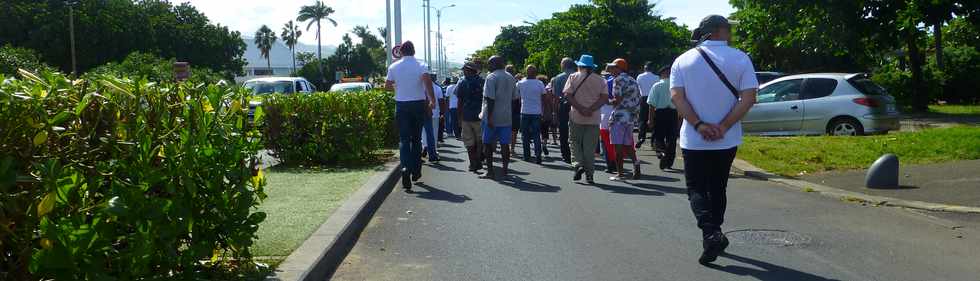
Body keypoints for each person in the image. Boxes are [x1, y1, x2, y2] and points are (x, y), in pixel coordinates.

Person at [671, 15, 758, 265]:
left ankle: (710, 233)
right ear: (720, 31)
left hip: (694, 138)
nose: (730, 33)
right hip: (727, 138)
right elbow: (748, 98)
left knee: (696, 188)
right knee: (718, 186)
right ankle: (715, 231)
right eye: (728, 29)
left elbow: (677, 97)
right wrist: (724, 126)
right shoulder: (741, 58)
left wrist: (699, 124)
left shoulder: (683, 60)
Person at [385, 41, 437, 190]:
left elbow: (387, 86)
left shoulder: (394, 66)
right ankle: (416, 169)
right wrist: (432, 100)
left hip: (401, 105)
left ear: (401, 52)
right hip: (418, 104)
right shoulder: (421, 65)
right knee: (416, 139)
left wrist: (398, 88)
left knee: (404, 139)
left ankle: (405, 168)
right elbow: (427, 82)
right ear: (414, 51)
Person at [564, 54, 608, 184]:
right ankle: (590, 175)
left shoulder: (573, 77)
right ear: (592, 67)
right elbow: (604, 98)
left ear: (580, 66)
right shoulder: (601, 80)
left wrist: (580, 108)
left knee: (574, 142)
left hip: (576, 116)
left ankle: (578, 164)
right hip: (593, 118)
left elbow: (568, 95)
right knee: (590, 147)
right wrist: (591, 109)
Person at [481, 56, 519, 179]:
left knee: (487, 143)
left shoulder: (491, 77)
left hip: (492, 117)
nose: (488, 66)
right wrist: (509, 113)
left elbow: (490, 98)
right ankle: (505, 170)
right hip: (506, 117)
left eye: (489, 64)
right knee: (504, 145)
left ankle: (490, 172)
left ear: (494, 64)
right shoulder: (511, 77)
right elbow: (515, 99)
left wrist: (490, 117)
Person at [607, 58, 643, 181]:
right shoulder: (632, 80)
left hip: (619, 117)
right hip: (631, 117)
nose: (610, 70)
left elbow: (617, 100)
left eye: (613, 67)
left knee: (617, 145)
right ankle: (636, 164)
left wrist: (606, 101)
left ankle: (620, 173)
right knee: (628, 144)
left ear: (619, 68)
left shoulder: (618, 80)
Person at [457, 62, 486, 173]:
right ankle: (478, 159)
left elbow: (459, 101)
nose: (463, 72)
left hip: (466, 116)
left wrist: (459, 117)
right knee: (479, 140)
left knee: (469, 141)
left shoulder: (463, 82)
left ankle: (472, 163)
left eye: (465, 70)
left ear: (469, 70)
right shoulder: (482, 82)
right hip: (480, 116)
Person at [648, 65, 678, 170]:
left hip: (660, 113)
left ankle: (662, 152)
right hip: (674, 113)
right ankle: (669, 162)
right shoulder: (677, 86)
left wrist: (650, 119)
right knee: (672, 139)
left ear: (662, 74)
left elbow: (651, 104)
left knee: (658, 137)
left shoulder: (657, 85)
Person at [550, 58, 577, 164]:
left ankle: (565, 154)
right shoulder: (578, 76)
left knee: (563, 130)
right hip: (577, 105)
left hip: (563, 106)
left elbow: (556, 97)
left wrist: (554, 112)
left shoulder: (558, 78)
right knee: (576, 130)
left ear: (563, 65)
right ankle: (577, 153)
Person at [517, 65, 546, 164]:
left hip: (524, 111)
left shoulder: (521, 83)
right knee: (536, 134)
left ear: (526, 72)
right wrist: (543, 111)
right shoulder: (540, 83)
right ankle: (538, 155)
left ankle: (527, 155)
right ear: (536, 73)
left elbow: (516, 95)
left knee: (525, 135)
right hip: (536, 112)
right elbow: (544, 97)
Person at [635, 61, 660, 149]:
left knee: (642, 119)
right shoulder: (657, 77)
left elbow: (638, 89)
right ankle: (654, 141)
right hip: (653, 98)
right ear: (652, 68)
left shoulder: (639, 77)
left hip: (643, 98)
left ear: (645, 68)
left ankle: (641, 137)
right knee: (654, 119)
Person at [421, 73, 443, 163]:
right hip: (435, 113)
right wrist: (442, 112)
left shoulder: (422, 86)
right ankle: (433, 151)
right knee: (433, 132)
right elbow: (441, 100)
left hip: (424, 112)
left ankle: (425, 146)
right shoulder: (438, 88)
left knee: (423, 132)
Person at [599, 64, 617, 174]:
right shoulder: (622, 81)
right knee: (616, 139)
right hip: (617, 110)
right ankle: (616, 162)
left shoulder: (605, 83)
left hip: (605, 110)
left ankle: (610, 164)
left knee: (605, 139)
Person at [539, 74, 556, 155]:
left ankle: (539, 144)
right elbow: (551, 103)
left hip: (538, 112)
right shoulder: (548, 91)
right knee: (545, 130)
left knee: (538, 130)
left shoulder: (537, 90)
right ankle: (544, 144)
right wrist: (553, 111)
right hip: (547, 113)